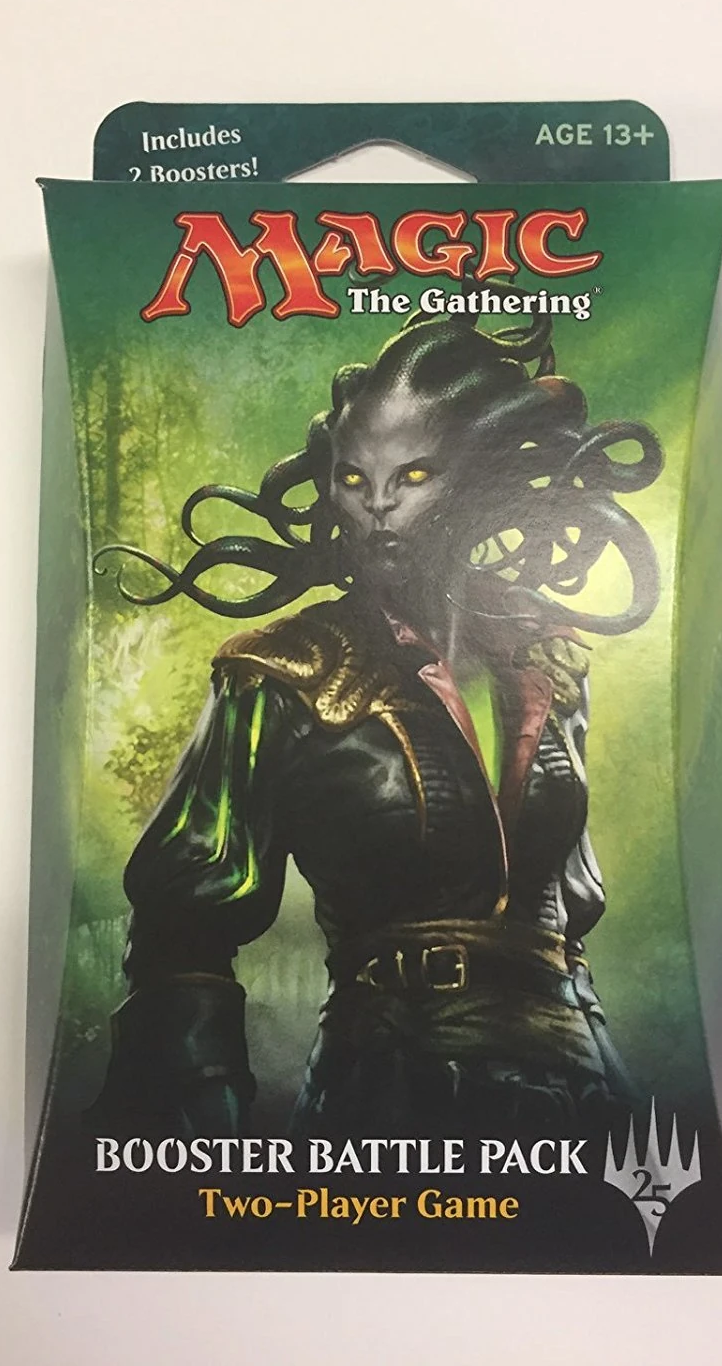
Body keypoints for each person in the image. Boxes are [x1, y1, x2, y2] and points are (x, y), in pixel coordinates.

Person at [92, 296, 663, 1142]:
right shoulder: (281, 673)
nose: (379, 506)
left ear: (482, 483)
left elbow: (569, 911)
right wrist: (198, 1130)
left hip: (583, 1092)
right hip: (390, 1086)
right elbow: (182, 932)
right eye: (354, 480)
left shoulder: (550, 663)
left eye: (415, 476)